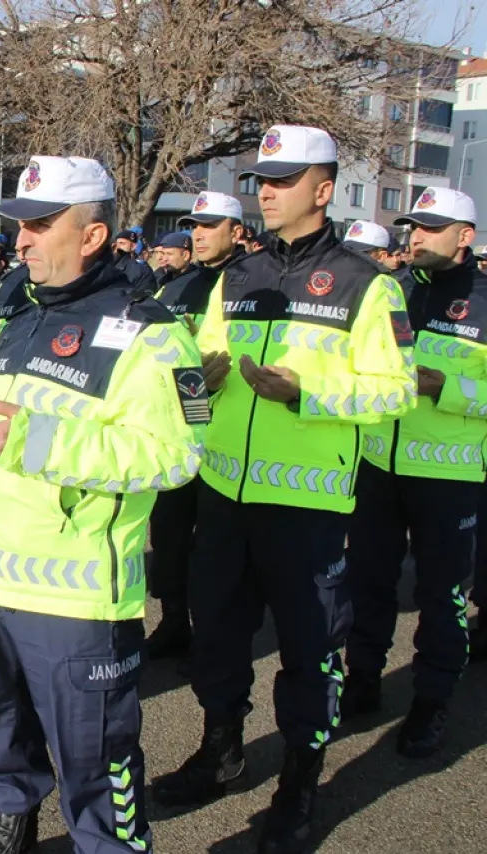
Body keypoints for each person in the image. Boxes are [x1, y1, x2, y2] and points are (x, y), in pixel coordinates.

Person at [0, 155, 204, 854]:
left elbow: (172, 456)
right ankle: (10, 822)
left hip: (75, 602)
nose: (20, 242)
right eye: (18, 226)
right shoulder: (13, 310)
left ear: (92, 235)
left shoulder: (154, 332)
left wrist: (32, 440)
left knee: (96, 766)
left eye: (40, 226)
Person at [152, 125, 414, 854]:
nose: (265, 190)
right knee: (218, 642)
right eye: (261, 179)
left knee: (307, 655)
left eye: (283, 179)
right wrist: (192, 394)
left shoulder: (369, 283)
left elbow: (393, 392)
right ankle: (221, 750)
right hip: (224, 496)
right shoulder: (238, 273)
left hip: (306, 507)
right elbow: (195, 363)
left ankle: (299, 786)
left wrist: (308, 392)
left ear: (323, 190)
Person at [343, 187, 486, 757]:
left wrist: (446, 388)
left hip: (448, 477)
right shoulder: (393, 291)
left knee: (440, 594)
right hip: (379, 465)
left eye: (430, 227)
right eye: (412, 226)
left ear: (465, 236)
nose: (415, 236)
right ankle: (363, 680)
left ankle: (431, 701)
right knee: (368, 581)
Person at [144, 191, 247, 665]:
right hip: (180, 428)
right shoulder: (174, 288)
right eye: (195, 226)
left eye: (211, 225)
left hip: (229, 436)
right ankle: (172, 620)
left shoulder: (249, 285)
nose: (199, 234)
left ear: (237, 232)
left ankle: (213, 632)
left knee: (214, 547)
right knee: (168, 534)